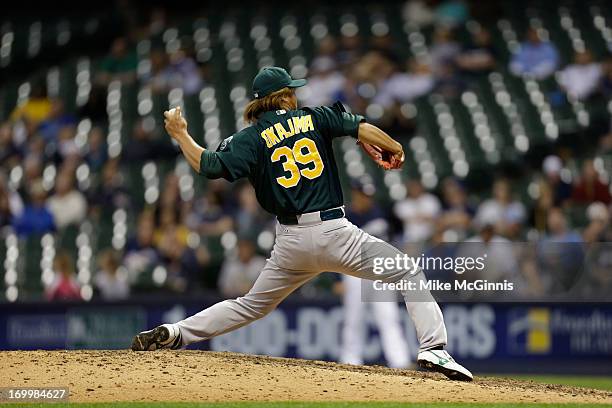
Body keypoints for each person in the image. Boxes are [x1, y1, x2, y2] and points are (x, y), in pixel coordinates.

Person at [131, 66, 472, 381]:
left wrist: (180, 134)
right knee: (407, 271)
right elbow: (361, 127)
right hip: (335, 232)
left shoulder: (249, 139)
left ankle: (176, 333)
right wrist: (394, 148)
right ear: (282, 96)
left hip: (290, 242)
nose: (295, 95)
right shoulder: (315, 117)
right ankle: (434, 349)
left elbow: (207, 165)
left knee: (250, 305)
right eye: (290, 90)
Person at [339, 181, 411, 368]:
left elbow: (398, 236)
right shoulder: (345, 217)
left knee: (388, 316)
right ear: (355, 194)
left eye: (367, 195)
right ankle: (350, 359)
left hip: (381, 271)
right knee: (354, 318)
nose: (364, 198)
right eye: (361, 194)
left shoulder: (384, 213)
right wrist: (336, 277)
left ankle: (399, 361)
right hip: (355, 272)